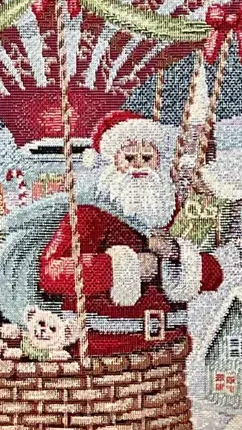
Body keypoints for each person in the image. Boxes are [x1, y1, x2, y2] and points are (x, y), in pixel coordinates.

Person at [36, 112, 223, 357]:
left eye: (147, 158)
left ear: (158, 161)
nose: (138, 166)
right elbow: (51, 272)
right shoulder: (91, 215)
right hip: (106, 350)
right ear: (112, 162)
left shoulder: (171, 211)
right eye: (130, 158)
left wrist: (177, 254)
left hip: (167, 351)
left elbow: (214, 274)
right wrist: (124, 268)